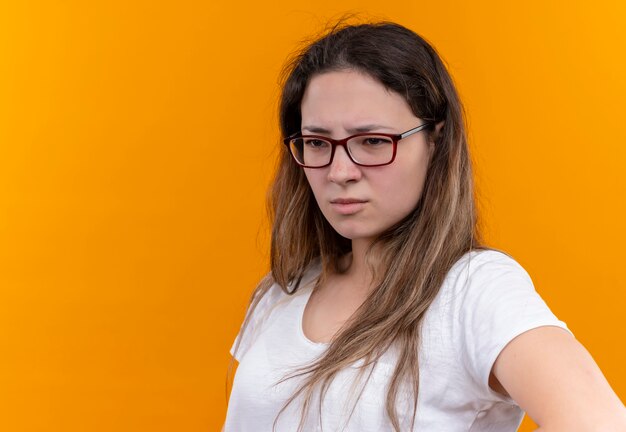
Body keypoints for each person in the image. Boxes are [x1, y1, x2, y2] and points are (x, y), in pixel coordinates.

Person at [224, 21, 626, 431]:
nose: (340, 171)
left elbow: (600, 422)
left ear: (434, 141)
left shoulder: (473, 290)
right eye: (317, 142)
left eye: (374, 141)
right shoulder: (280, 292)